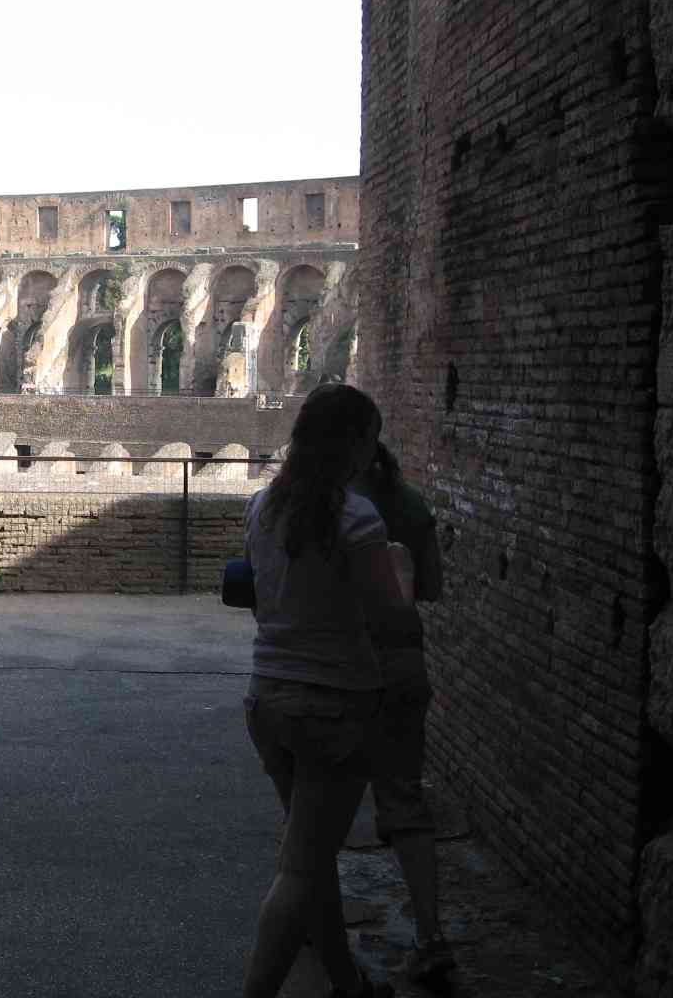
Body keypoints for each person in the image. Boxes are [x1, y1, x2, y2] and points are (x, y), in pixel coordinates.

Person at [242, 383, 415, 998]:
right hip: (335, 705)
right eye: (371, 440)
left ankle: (346, 982)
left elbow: (263, 601)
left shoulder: (262, 508)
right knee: (301, 867)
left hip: (268, 698)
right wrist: (401, 569)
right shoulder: (356, 518)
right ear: (357, 444)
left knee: (310, 856)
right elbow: (392, 621)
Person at [353, 443, 454, 984]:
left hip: (336, 662)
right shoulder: (410, 504)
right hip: (400, 664)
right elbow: (431, 588)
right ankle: (431, 936)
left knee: (313, 807)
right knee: (405, 801)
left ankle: (312, 923)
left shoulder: (317, 505)